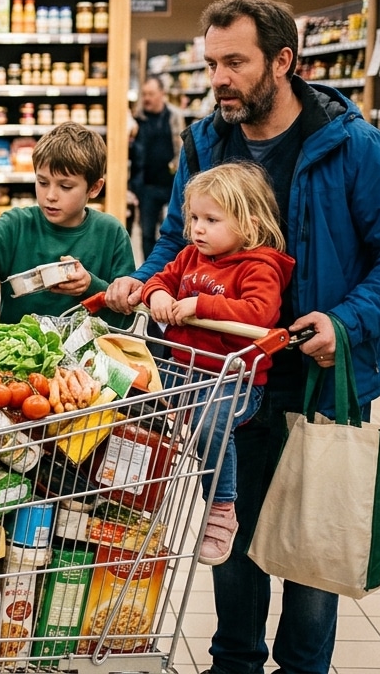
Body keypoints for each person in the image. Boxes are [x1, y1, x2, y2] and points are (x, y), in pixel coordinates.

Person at [105, 0, 380, 674]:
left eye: (235, 62)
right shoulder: (206, 141)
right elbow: (175, 239)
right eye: (212, 63)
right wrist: (147, 282)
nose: (218, 79)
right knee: (235, 538)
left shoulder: (352, 147)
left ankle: (304, 668)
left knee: (310, 557)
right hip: (223, 379)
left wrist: (344, 322)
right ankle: (235, 664)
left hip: (314, 377)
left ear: (283, 61)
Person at [141, 162, 294, 566]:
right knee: (137, 411)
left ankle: (221, 510)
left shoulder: (259, 265)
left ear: (249, 222)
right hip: (184, 372)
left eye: (211, 219)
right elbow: (162, 278)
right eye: (194, 218)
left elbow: (260, 313)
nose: (198, 229)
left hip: (235, 379)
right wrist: (156, 293)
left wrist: (200, 305)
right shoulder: (190, 256)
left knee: (211, 425)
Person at [0, 122, 134, 322]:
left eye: (66, 187)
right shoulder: (17, 225)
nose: (50, 195)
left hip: (90, 357)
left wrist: (90, 286)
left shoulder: (111, 233)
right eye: (42, 182)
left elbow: (127, 311)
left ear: (95, 188)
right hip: (20, 355)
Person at [130, 75, 185, 262]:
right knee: (146, 233)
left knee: (173, 231)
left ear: (162, 94)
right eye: (144, 94)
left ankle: (171, 269)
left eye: (151, 93)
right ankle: (150, 271)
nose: (147, 98)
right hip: (147, 186)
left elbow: (182, 146)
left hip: (172, 184)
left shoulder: (174, 116)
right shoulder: (137, 119)